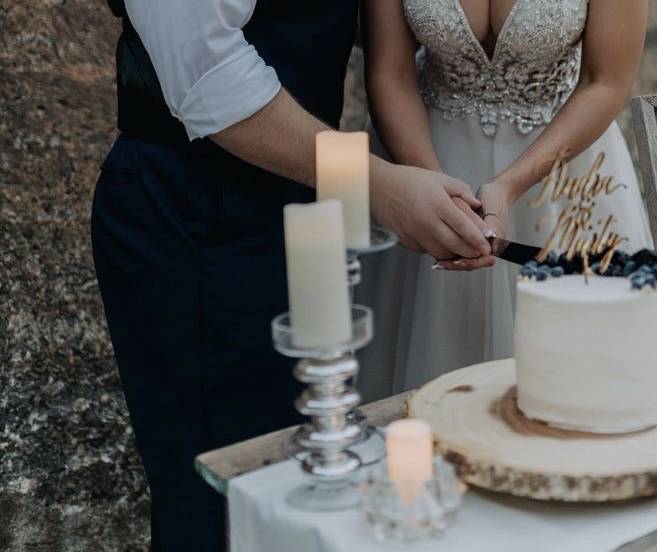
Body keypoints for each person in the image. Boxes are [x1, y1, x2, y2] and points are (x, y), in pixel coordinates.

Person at [92, 1, 493, 550]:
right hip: (197, 214)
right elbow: (206, 74)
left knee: (297, 491)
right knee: (220, 506)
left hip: (300, 205)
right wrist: (374, 186)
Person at [357, 0, 654, 396]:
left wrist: (510, 184)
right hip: (423, 154)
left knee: (579, 392)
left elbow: (605, 82)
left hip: (562, 174)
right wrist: (434, 192)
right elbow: (389, 72)